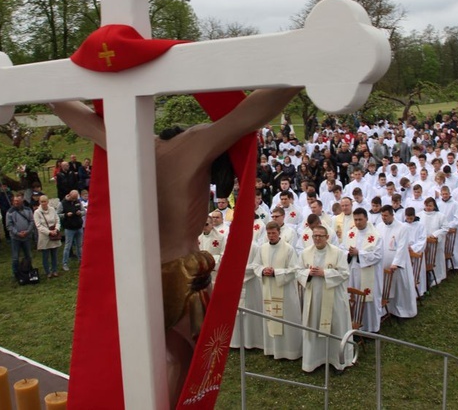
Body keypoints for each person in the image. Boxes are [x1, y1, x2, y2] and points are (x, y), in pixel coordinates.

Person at [52, 86, 302, 401]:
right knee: (186, 366)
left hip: (138, 276)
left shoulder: (131, 145)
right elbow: (246, 116)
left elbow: (80, 119)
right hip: (182, 273)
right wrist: (295, 79)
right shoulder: (195, 144)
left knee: (164, 361)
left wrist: (48, 89)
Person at [297, 224, 353, 373]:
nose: (317, 238)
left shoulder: (338, 253)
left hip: (333, 298)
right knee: (313, 327)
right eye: (314, 235)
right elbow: (298, 271)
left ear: (327, 237)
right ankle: (313, 361)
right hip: (313, 298)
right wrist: (308, 273)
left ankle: (338, 361)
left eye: (320, 236)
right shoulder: (305, 253)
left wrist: (325, 273)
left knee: (335, 326)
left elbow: (345, 273)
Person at [252, 221, 302, 360]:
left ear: (279, 233)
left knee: (287, 320)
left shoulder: (288, 249)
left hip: (285, 291)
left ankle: (289, 351)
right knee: (270, 318)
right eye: (269, 233)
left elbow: (294, 270)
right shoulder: (262, 248)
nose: (271, 236)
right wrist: (263, 270)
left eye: (274, 233)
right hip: (268, 290)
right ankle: (272, 349)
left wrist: (276, 272)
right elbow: (256, 265)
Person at [340, 207, 383, 332]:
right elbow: (342, 249)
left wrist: (359, 253)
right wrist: (348, 253)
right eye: (355, 219)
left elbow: (377, 255)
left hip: (368, 273)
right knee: (352, 298)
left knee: (367, 298)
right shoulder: (350, 233)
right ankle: (353, 325)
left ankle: (370, 328)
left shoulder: (376, 236)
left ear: (366, 219)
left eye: (360, 219)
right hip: (352, 271)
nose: (358, 222)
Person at [379, 205, 417, 319]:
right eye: (382, 216)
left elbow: (402, 247)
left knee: (400, 288)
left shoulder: (402, 227)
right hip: (384, 264)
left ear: (392, 215)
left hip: (398, 265)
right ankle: (387, 310)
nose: (383, 218)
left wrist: (396, 262)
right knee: (386, 287)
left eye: (386, 215)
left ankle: (403, 311)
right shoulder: (379, 227)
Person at [6, 193, 35, 279]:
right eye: (15, 201)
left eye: (18, 201)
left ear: (22, 201)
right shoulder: (10, 212)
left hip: (26, 237)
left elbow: (32, 221)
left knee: (28, 255)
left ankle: (29, 269)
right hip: (15, 238)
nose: (16, 203)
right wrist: (17, 233)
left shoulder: (28, 210)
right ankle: (16, 273)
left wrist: (27, 231)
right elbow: (9, 225)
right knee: (15, 257)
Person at [34, 195, 62, 279]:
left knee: (54, 254)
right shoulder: (37, 212)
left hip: (54, 233)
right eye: (41, 202)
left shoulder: (52, 209)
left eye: (44, 201)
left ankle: (55, 270)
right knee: (45, 256)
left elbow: (57, 220)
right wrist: (49, 232)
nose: (43, 203)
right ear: (39, 202)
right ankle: (48, 271)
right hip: (44, 236)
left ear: (48, 201)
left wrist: (56, 229)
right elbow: (38, 226)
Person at [60, 190, 84, 271]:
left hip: (78, 226)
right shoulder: (62, 203)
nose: (74, 200)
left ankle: (81, 261)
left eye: (75, 198)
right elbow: (57, 214)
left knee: (79, 245)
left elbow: (84, 211)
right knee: (67, 246)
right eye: (73, 198)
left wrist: (80, 213)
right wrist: (66, 215)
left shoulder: (78, 201)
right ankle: (65, 263)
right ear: (69, 195)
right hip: (69, 228)